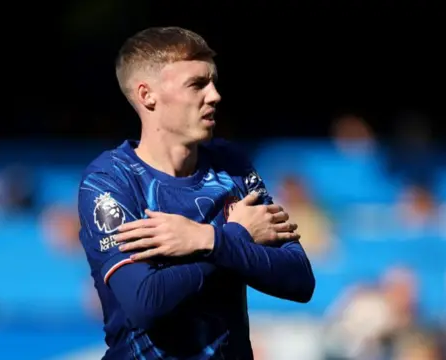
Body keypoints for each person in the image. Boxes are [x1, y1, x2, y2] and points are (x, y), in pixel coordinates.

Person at [77, 26, 315, 359]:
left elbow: (300, 279)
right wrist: (232, 237)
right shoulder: (110, 181)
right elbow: (145, 302)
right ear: (148, 95)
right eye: (197, 84)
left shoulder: (231, 165)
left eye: (214, 82)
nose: (215, 95)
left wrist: (206, 240)